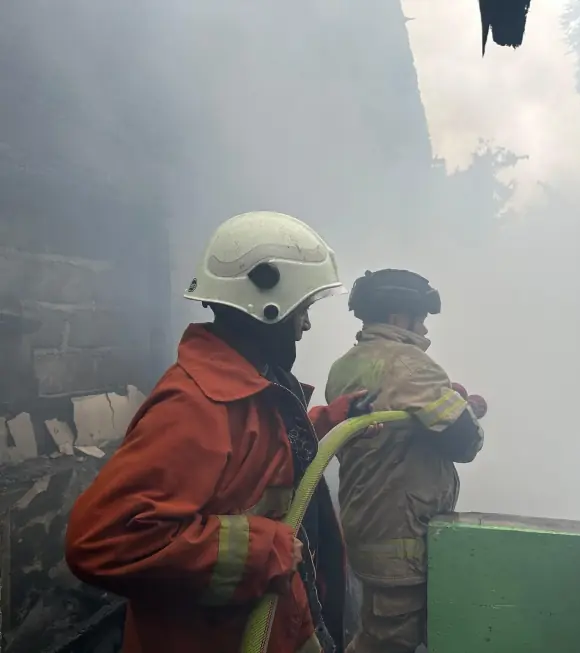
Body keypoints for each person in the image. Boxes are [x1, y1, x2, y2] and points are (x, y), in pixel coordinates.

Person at [65, 211, 369, 653]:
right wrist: (260, 551)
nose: (306, 324)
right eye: (303, 309)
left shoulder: (247, 386)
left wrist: (336, 416)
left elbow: (264, 453)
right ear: (270, 305)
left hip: (271, 628)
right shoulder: (195, 407)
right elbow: (100, 539)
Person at [325, 269, 487, 653]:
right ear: (400, 317)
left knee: (379, 631)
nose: (425, 328)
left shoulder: (345, 365)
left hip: (368, 528)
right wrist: (468, 410)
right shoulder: (410, 364)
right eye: (422, 317)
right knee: (388, 642)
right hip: (400, 541)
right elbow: (464, 442)